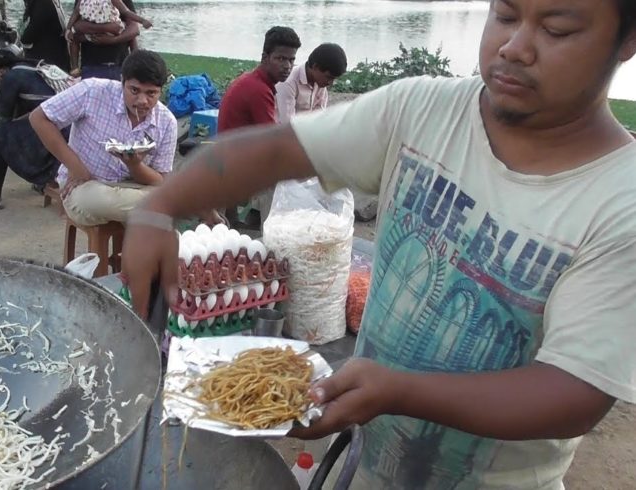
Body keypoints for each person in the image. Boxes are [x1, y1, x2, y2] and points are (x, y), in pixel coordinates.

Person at [121, 1, 636, 488]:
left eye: (557, 30)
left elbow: (575, 393)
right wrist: (160, 204)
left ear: (626, 41)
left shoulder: (621, 200)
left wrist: (399, 392)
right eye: (504, 14)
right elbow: (277, 151)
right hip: (367, 464)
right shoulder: (422, 109)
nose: (515, 46)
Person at [29, 49, 177, 226]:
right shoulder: (93, 91)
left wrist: (135, 165)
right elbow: (39, 118)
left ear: (160, 91)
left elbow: (159, 180)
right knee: (97, 199)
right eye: (134, 90)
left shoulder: (166, 121)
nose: (142, 101)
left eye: (151, 93)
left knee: (156, 200)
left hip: (133, 189)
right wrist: (76, 168)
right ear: (122, 81)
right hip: (86, 186)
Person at [0, 50, 73, 210]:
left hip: (58, 131)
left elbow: (4, 117)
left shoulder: (11, 77)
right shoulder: (38, 66)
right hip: (71, 128)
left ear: (1, 71)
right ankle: (45, 180)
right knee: (22, 127)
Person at [217, 26, 301, 133]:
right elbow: (271, 138)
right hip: (238, 149)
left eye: (291, 60)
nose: (287, 66)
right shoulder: (259, 90)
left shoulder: (252, 79)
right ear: (265, 58)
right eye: (281, 59)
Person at [65, 0, 152, 77]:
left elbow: (134, 30)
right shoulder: (82, 2)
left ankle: (75, 68)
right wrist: (106, 28)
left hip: (119, 64)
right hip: (90, 64)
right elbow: (77, 25)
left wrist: (112, 40)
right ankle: (75, 68)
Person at [276, 43, 347, 123]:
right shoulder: (289, 82)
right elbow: (287, 123)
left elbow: (320, 116)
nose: (330, 83)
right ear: (315, 67)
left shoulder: (320, 82)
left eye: (334, 79)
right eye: (329, 77)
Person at [21, 0, 71, 72]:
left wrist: (23, 40)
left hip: (45, 60)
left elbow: (32, 31)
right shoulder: (50, 3)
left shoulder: (43, 3)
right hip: (56, 57)